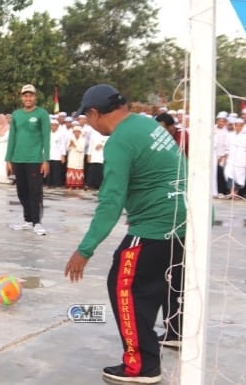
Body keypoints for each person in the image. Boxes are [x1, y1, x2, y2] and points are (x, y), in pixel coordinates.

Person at [64, 84, 186, 384]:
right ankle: (175, 331)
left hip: (153, 226)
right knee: (154, 285)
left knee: (124, 286)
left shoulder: (119, 141)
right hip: (182, 222)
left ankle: (141, 366)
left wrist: (85, 249)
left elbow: (111, 201)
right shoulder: (147, 124)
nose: (89, 123)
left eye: (87, 117)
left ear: (94, 113)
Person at [5, 84, 50, 235]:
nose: (28, 98)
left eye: (30, 95)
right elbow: (12, 138)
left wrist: (46, 160)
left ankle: (37, 222)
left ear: (35, 97)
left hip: (35, 159)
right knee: (21, 191)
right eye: (25, 95)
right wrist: (8, 159)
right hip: (18, 159)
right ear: (22, 97)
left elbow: (46, 138)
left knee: (34, 191)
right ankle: (27, 219)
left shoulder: (41, 114)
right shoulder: (16, 114)